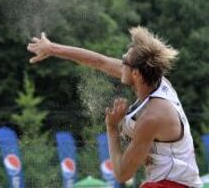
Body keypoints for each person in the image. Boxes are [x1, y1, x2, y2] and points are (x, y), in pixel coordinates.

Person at [27, 27, 202, 187]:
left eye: (124, 60)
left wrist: (112, 129)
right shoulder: (153, 81)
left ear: (136, 73)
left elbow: (121, 174)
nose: (120, 62)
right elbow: (99, 61)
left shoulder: (152, 117)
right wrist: (51, 48)